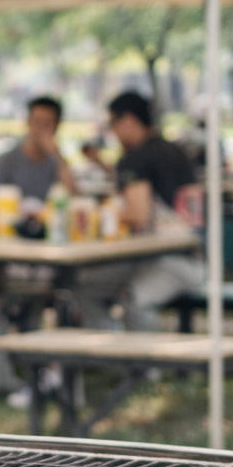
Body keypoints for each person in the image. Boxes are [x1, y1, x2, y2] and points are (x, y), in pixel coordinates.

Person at [76, 91, 202, 330]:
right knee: (89, 288)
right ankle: (117, 349)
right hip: (193, 256)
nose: (113, 133)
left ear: (128, 120)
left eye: (113, 124)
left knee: (129, 299)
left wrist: (99, 214)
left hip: (167, 261)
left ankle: (136, 355)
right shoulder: (175, 151)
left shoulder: (137, 158)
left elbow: (139, 215)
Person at [0, 95, 77, 202]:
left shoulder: (56, 162)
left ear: (56, 127)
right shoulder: (6, 161)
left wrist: (57, 154)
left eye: (47, 124)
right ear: (28, 122)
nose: (40, 129)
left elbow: (73, 193)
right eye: (36, 121)